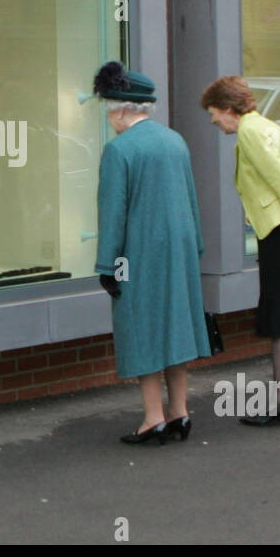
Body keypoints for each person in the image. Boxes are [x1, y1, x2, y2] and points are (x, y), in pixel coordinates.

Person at [93, 61, 211, 446]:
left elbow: (114, 213)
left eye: (110, 107)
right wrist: (195, 248)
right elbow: (192, 202)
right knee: (175, 327)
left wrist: (107, 266)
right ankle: (180, 411)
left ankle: (153, 418)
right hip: (179, 251)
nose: (109, 116)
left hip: (136, 255)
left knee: (140, 329)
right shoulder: (175, 140)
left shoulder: (119, 150)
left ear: (125, 109)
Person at [201, 75, 280, 426]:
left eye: (214, 113)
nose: (214, 120)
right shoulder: (272, 127)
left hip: (279, 230)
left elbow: (279, 177)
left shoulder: (249, 131)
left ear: (229, 109)